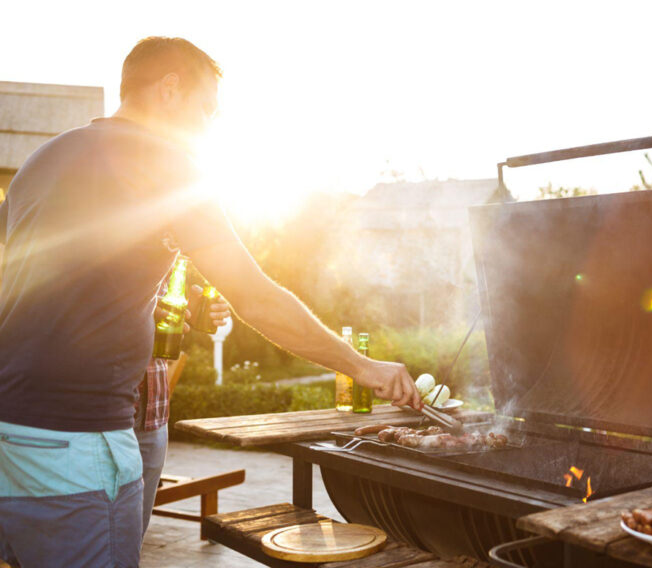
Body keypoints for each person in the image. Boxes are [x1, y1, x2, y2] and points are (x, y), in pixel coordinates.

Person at [0, 36, 421, 568]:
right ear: (170, 90)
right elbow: (255, 297)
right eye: (206, 110)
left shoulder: (45, 158)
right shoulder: (167, 166)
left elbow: (45, 289)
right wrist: (362, 366)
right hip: (76, 444)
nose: (208, 128)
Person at [135, 278, 231, 536]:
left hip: (153, 414)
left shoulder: (168, 253)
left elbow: (167, 312)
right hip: (102, 412)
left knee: (131, 541)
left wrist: (193, 309)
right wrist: (138, 313)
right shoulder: (102, 244)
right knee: (86, 540)